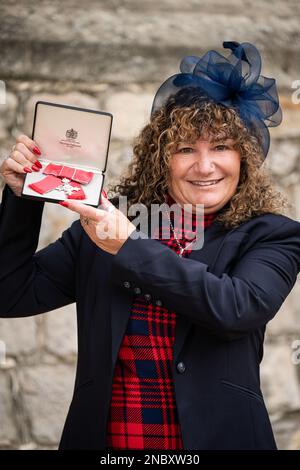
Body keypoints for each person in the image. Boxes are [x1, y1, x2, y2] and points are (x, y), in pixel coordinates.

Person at [0, 41, 299, 450]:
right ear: (161, 158)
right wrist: (23, 197)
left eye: (222, 147)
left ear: (244, 158)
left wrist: (128, 246)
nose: (205, 165)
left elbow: (235, 307)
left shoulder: (272, 234)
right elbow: (9, 293)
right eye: (186, 149)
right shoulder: (103, 225)